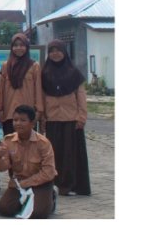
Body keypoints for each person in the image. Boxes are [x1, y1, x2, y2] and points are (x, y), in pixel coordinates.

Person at [41, 40, 90, 196]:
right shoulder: (44, 73)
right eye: (52, 51)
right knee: (54, 153)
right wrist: (42, 118)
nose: (55, 54)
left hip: (71, 119)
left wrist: (81, 117)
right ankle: (56, 183)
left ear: (64, 52)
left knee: (71, 154)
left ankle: (71, 185)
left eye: (58, 50)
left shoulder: (74, 72)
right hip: (52, 119)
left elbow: (81, 96)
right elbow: (41, 97)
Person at [0, 105, 58, 218]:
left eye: (23, 120)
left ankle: (51, 196)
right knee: (4, 209)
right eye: (15, 120)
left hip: (41, 183)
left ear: (32, 123)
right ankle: (27, 201)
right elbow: (2, 168)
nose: (18, 123)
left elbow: (48, 172)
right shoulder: (8, 140)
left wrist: (26, 183)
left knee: (38, 213)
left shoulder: (43, 143)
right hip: (19, 183)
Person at [0, 34, 43, 135]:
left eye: (22, 45)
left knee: (29, 145)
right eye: (15, 45)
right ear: (11, 47)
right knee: (10, 143)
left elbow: (38, 90)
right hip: (9, 114)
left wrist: (38, 111)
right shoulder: (6, 66)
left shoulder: (34, 66)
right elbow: (1, 90)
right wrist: (0, 109)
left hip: (28, 113)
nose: (18, 48)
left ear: (27, 47)